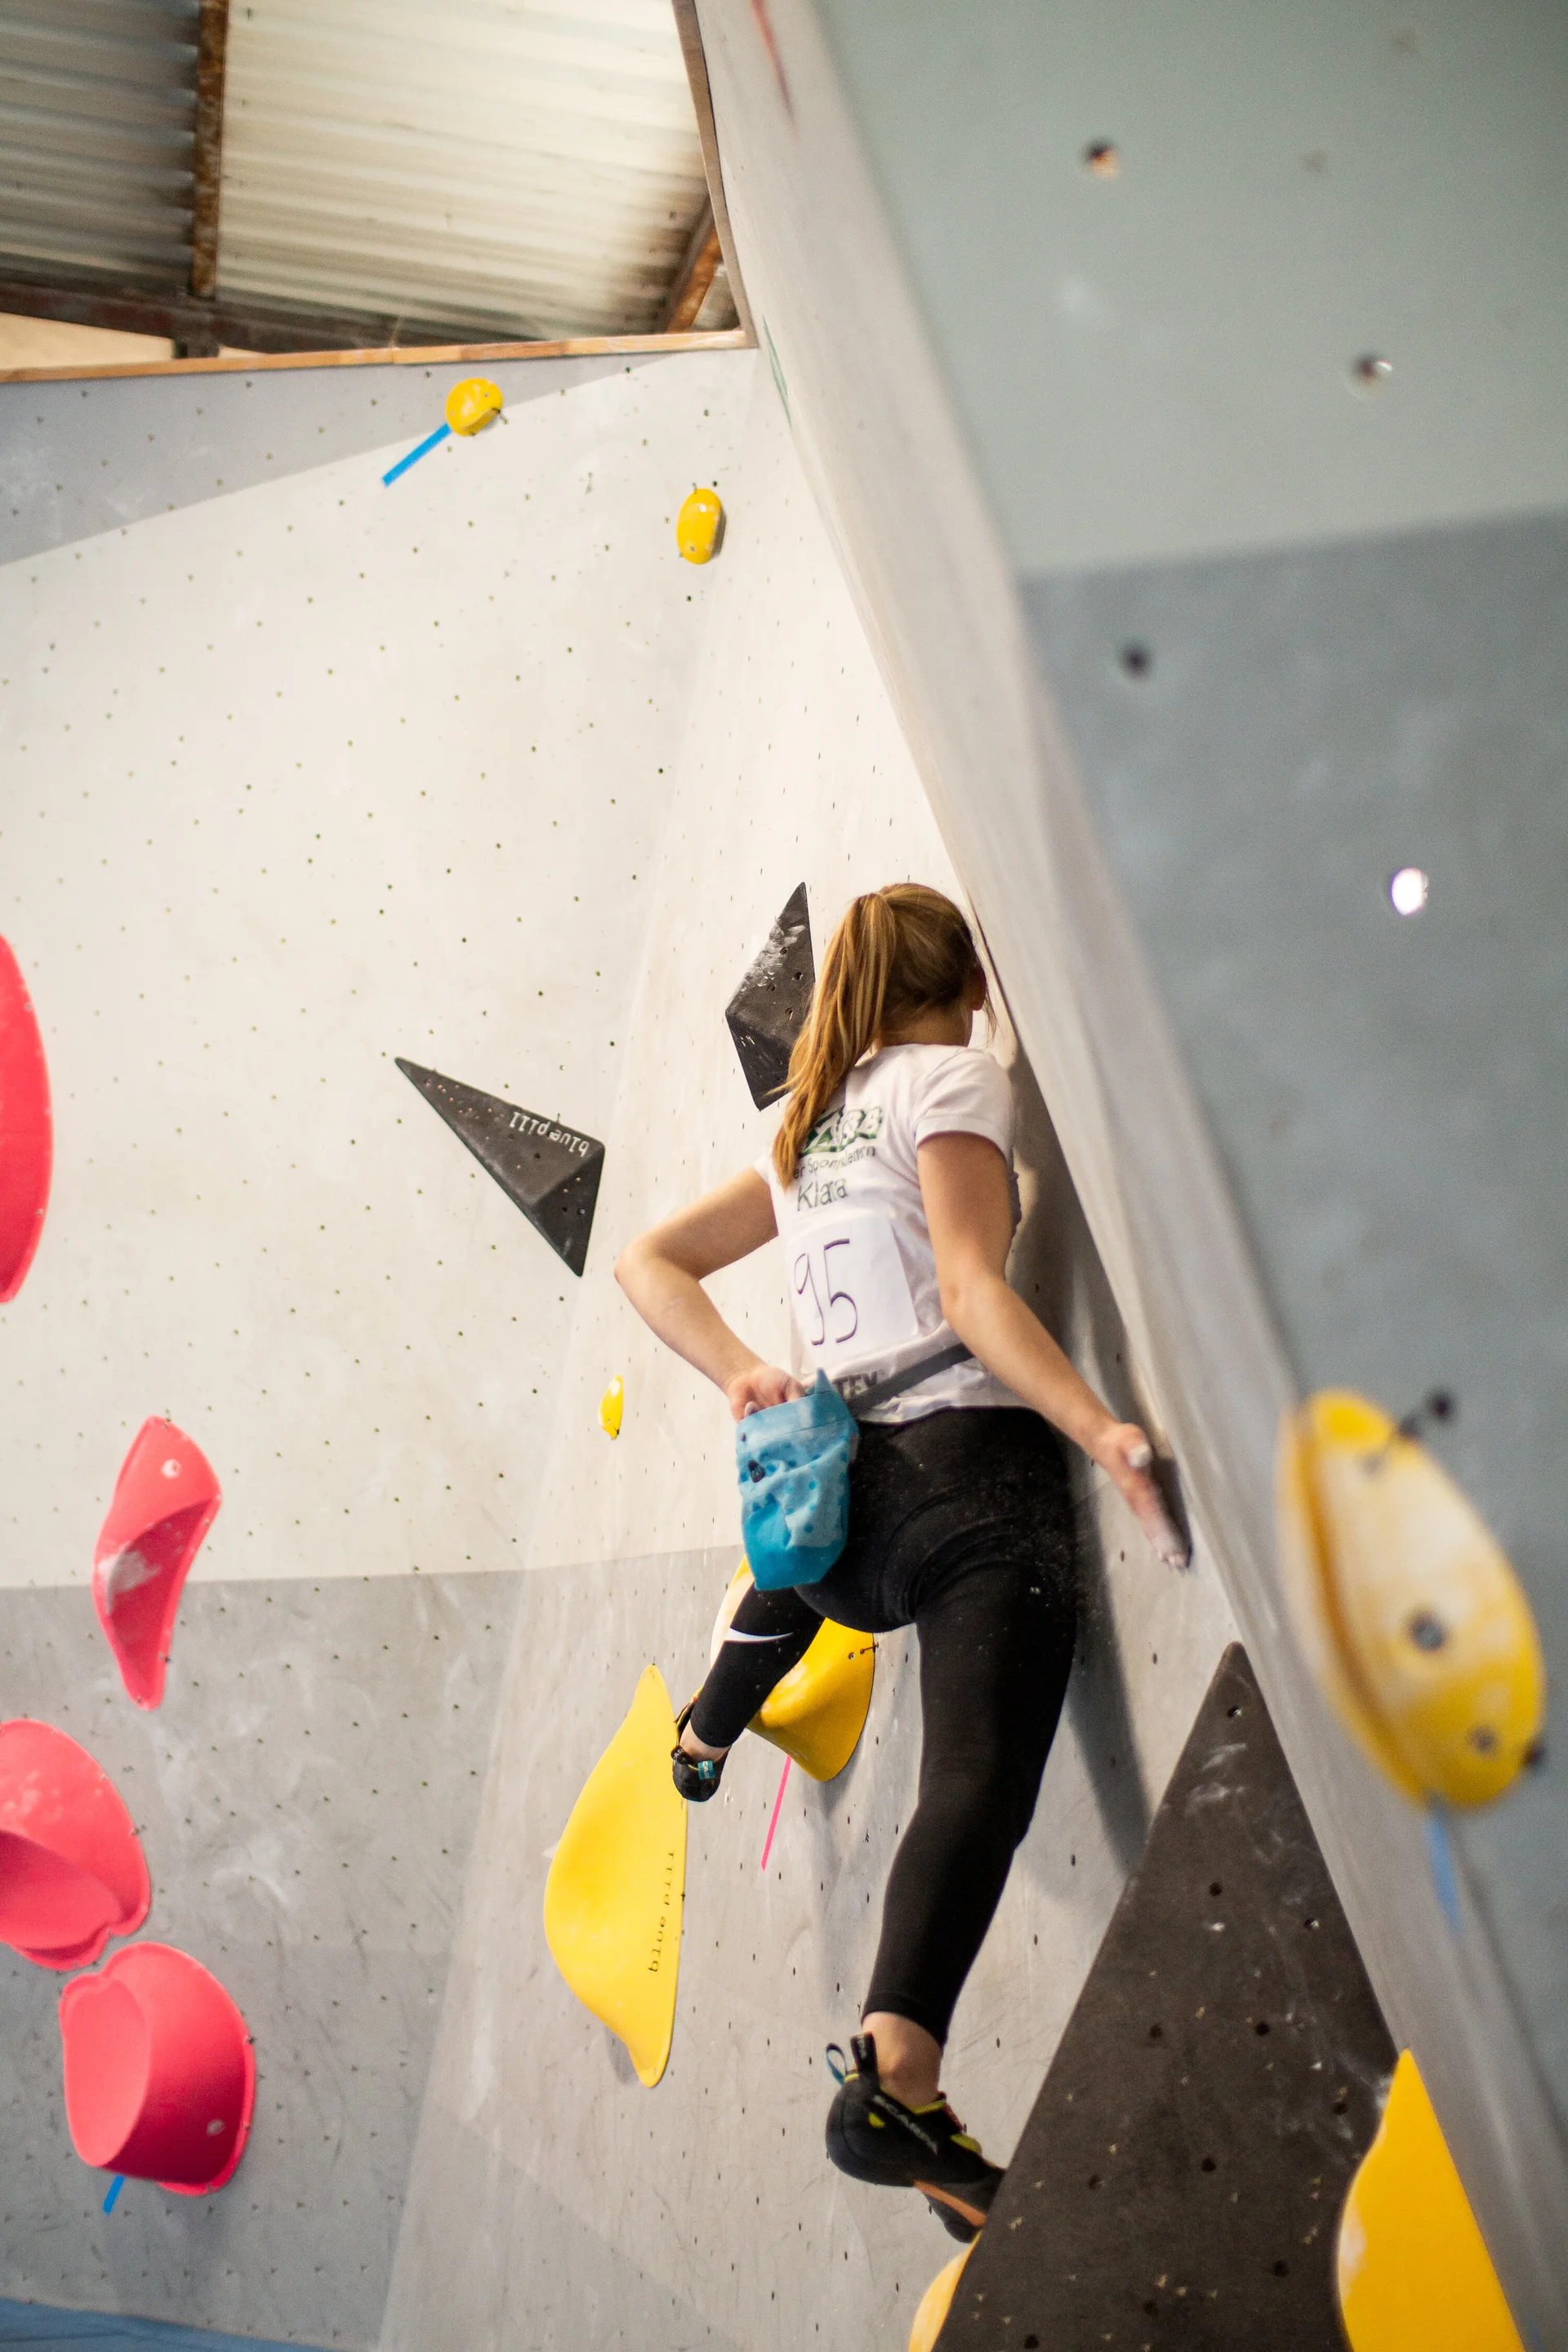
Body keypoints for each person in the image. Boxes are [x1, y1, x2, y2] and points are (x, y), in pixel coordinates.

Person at [615, 883, 1184, 2241]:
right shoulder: (950, 1080)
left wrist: (746, 1372)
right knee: (975, 1776)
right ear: (959, 979)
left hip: (836, 1540)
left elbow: (646, 1260)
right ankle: (896, 2075)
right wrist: (1099, 1426)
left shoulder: (801, 1127)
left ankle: (711, 1725)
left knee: (892, 1697)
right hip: (965, 1492)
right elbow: (979, 1297)